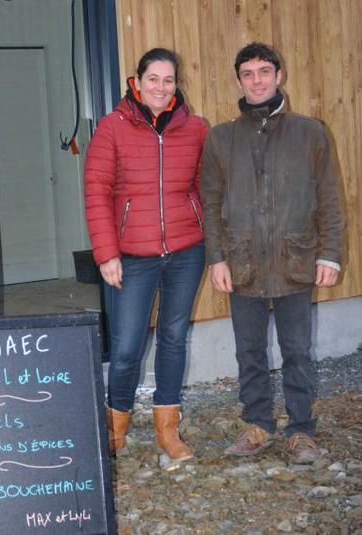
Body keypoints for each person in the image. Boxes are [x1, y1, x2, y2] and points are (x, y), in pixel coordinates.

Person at [200, 42, 343, 464]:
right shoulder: (221, 138)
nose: (257, 80)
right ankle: (258, 424)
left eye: (264, 71)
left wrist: (329, 254)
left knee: (297, 349)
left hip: (295, 260)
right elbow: (210, 203)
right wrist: (217, 257)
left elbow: (330, 198)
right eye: (248, 73)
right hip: (241, 262)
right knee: (249, 351)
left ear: (279, 75)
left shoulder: (310, 133)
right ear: (239, 80)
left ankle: (301, 430)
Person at [84, 48, 208, 463]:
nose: (160, 87)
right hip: (131, 257)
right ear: (136, 81)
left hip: (186, 253)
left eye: (168, 80)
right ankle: (115, 430)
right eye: (152, 78)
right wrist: (106, 254)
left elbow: (203, 188)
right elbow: (97, 192)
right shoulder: (112, 127)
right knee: (125, 348)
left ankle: (166, 430)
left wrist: (202, 228)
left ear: (177, 84)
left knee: (173, 337)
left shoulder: (196, 129)